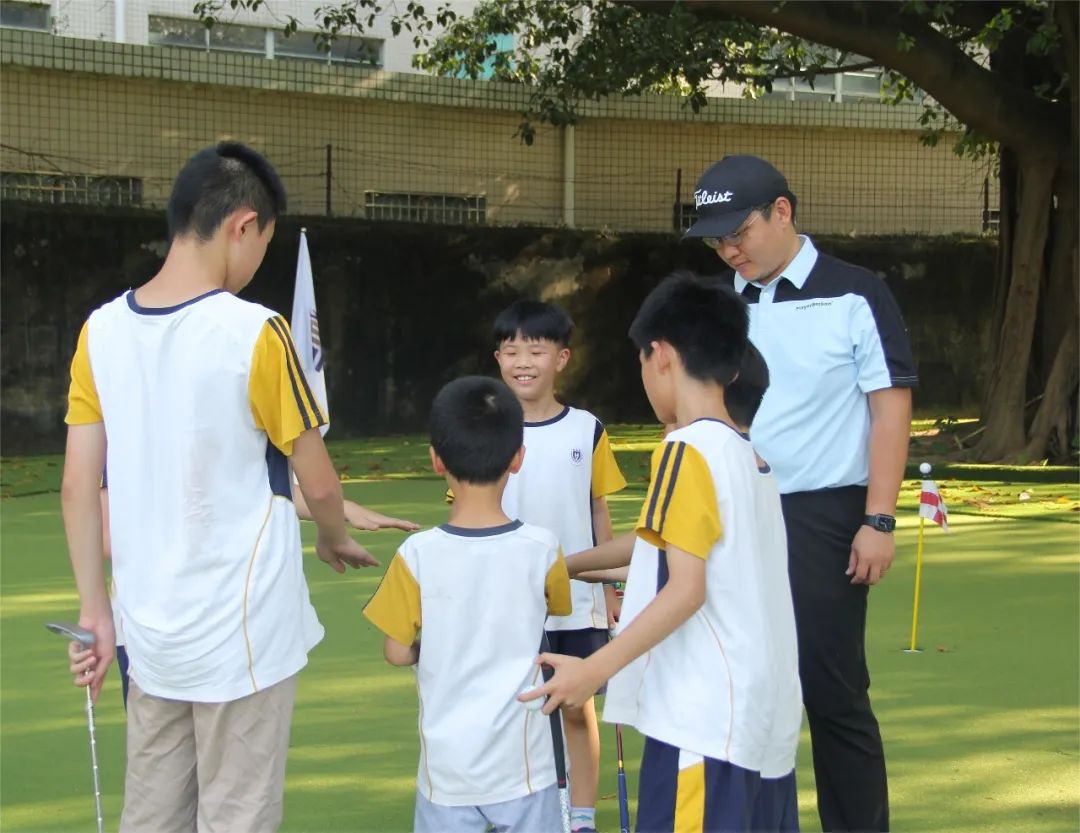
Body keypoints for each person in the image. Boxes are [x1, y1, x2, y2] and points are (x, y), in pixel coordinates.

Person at [61, 142, 378, 833]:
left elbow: (77, 486)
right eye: (262, 241)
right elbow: (317, 480)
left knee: (151, 817)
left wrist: (95, 611)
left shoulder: (100, 331)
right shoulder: (256, 332)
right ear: (242, 225)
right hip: (244, 637)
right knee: (237, 817)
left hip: (147, 635)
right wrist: (333, 535)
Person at [685, 154, 916, 832]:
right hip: (728, 510)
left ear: (782, 212)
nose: (729, 247)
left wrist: (879, 516)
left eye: (741, 229)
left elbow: (890, 407)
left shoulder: (857, 293)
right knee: (737, 682)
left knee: (832, 689)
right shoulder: (716, 304)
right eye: (717, 236)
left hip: (822, 517)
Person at [523, 272, 802, 832]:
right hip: (760, 720)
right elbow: (667, 552)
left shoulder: (683, 449)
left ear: (661, 355)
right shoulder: (752, 461)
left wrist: (592, 669)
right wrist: (567, 566)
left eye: (641, 362)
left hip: (701, 721)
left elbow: (687, 587)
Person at [364, 376, 572, 831]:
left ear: (436, 460)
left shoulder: (415, 554)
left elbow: (396, 652)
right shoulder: (542, 547)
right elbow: (556, 606)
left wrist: (430, 649)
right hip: (524, 767)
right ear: (518, 457)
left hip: (447, 773)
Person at [77, 481, 418, 709]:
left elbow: (247, 483)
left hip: (234, 625)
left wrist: (333, 509)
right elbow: (108, 536)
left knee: (227, 784)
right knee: (177, 790)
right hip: (154, 633)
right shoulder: (124, 398)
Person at [493, 300, 627, 833]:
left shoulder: (587, 429)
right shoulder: (487, 425)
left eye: (536, 349)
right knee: (512, 708)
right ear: (497, 358)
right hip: (506, 599)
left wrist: (612, 589)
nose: (522, 361)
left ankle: (583, 817)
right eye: (510, 350)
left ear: (562, 358)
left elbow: (599, 509)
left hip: (577, 598)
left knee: (576, 707)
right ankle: (515, 810)